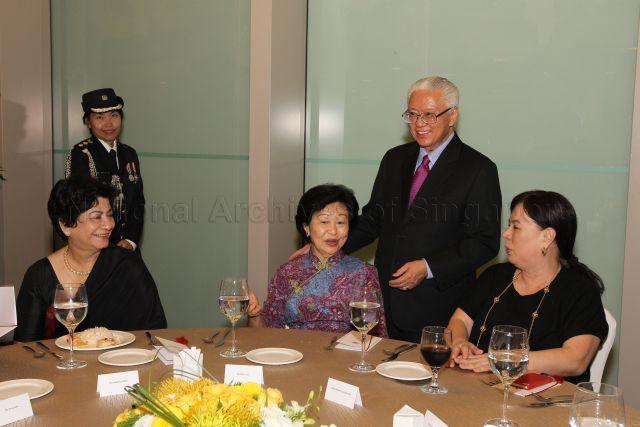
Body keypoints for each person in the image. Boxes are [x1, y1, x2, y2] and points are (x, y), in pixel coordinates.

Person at [340, 76, 502, 342]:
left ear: (452, 116)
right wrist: (331, 248)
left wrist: (428, 267)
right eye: (412, 115)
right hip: (383, 304)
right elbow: (373, 219)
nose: (419, 124)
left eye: (429, 115)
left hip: (436, 310)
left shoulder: (478, 169)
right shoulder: (395, 159)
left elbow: (484, 242)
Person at [448, 190, 608, 383]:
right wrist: (459, 341)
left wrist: (505, 360)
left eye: (516, 227)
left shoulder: (580, 291)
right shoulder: (495, 276)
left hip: (547, 404)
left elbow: (575, 359)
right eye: (508, 225)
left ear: (547, 237)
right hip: (476, 390)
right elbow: (460, 321)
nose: (505, 234)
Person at [14, 176, 166, 342]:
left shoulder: (127, 265)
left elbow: (154, 333)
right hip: (59, 365)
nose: (109, 225)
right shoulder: (39, 276)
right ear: (66, 225)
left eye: (110, 215)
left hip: (122, 364)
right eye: (96, 217)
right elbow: (25, 347)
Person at [253, 184, 387, 337]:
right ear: (306, 227)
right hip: (295, 355)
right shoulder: (287, 273)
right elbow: (268, 333)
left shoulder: (364, 273)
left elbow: (378, 336)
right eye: (324, 221)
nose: (333, 231)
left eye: (341, 222)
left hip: (346, 358)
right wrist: (254, 315)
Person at [64, 88, 144, 250]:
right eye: (100, 117)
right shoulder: (82, 155)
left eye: (114, 115)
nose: (108, 124)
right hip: (96, 249)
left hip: (127, 249)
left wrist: (130, 240)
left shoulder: (129, 154)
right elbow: (79, 209)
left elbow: (138, 202)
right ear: (88, 122)